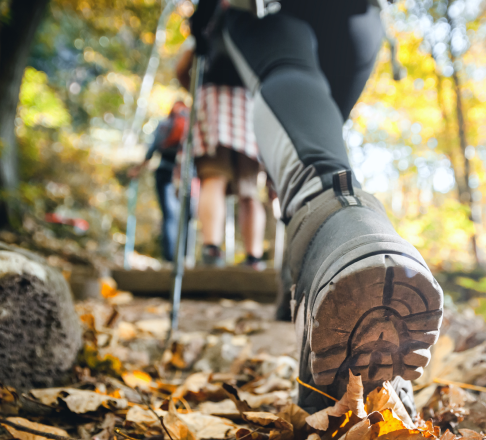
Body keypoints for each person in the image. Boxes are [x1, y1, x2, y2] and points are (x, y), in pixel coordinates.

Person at [189, 0, 444, 418]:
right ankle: (306, 270)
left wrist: (202, 24)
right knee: (312, 132)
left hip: (266, 13)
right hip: (359, 21)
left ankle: (336, 230)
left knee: (291, 87)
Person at [176, 34, 266, 269]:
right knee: (249, 190)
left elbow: (182, 67)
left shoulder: (210, 22)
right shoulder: (256, 25)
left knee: (213, 178)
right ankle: (253, 257)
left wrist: (197, 90)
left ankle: (211, 248)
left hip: (212, 101)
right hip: (250, 106)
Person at [128, 101, 187, 262]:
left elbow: (152, 149)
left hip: (165, 172)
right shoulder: (192, 123)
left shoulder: (164, 124)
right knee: (185, 216)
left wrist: (137, 169)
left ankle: (170, 259)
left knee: (169, 216)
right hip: (187, 175)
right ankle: (185, 257)